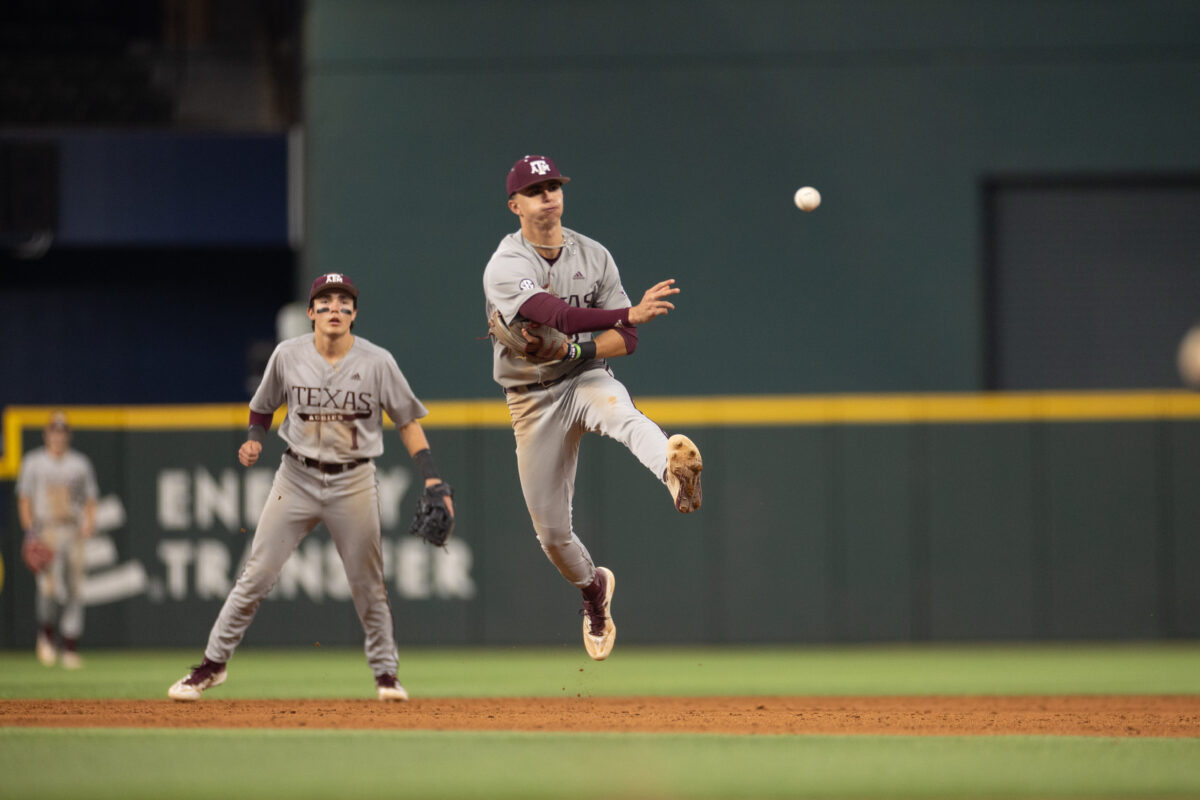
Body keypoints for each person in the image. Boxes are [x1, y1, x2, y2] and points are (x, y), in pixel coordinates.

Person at [168, 273, 454, 701]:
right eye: (325, 302)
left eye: (343, 302)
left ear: (354, 314)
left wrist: (433, 476)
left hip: (354, 480)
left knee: (368, 585)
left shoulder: (378, 361)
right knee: (256, 575)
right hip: (296, 476)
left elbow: (407, 422)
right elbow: (261, 409)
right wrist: (253, 439)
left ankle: (386, 675)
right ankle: (211, 665)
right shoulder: (288, 355)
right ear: (310, 313)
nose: (334, 309)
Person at [483, 154, 704, 661]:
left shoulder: (595, 256)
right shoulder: (506, 263)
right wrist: (625, 312)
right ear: (515, 205)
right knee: (553, 535)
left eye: (554, 186)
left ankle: (675, 472)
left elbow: (624, 340)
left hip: (583, 377)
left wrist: (582, 350)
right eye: (536, 191)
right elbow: (553, 313)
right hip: (531, 400)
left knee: (624, 416)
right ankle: (593, 592)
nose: (548, 196)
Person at [16, 411, 99, 669]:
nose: (58, 436)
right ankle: (47, 637)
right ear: (46, 434)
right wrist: (30, 533)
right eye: (54, 430)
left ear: (68, 435)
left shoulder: (80, 463)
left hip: (71, 529)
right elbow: (24, 499)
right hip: (46, 530)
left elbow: (90, 498)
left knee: (75, 588)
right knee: (48, 589)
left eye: (62, 431)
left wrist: (89, 522)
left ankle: (70, 648)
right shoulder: (34, 462)